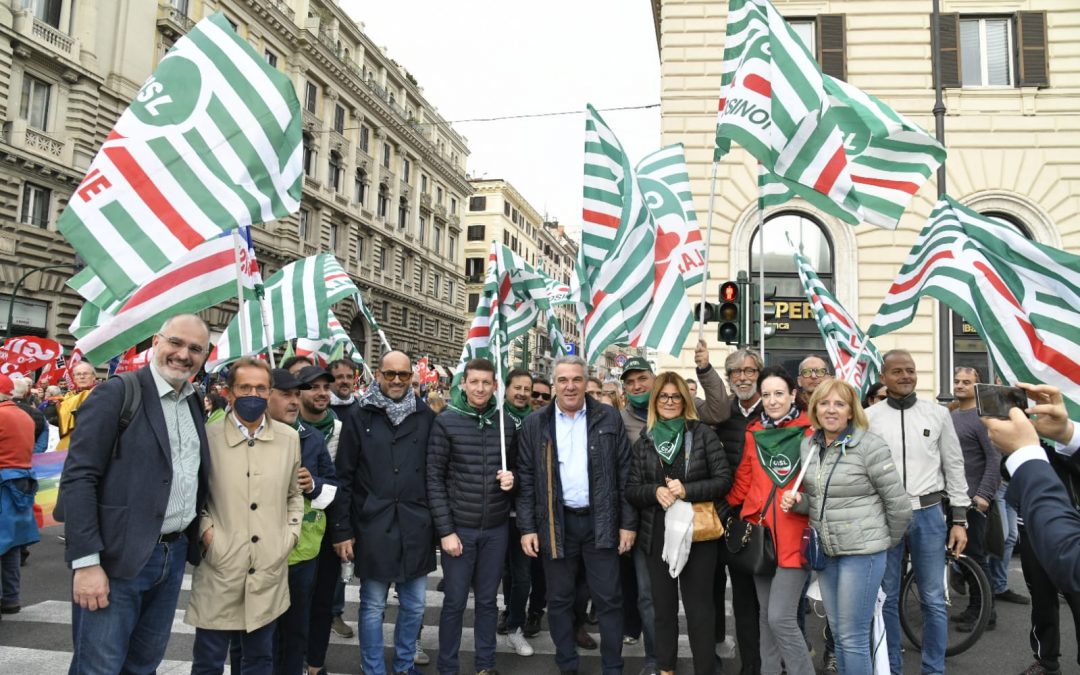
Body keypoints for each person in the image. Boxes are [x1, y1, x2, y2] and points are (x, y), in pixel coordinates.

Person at [61, 315, 212, 674]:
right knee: (98, 667)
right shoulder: (117, 392)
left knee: (144, 666)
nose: (183, 354)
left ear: (205, 356)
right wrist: (86, 563)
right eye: (175, 342)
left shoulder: (193, 401)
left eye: (195, 349)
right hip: (116, 558)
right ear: (156, 342)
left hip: (171, 556)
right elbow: (79, 478)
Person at [781, 380, 912, 675]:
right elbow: (820, 501)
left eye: (839, 404)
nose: (831, 410)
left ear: (851, 411)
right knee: (839, 634)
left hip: (861, 555)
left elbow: (899, 506)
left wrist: (879, 544)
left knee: (852, 638)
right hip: (827, 553)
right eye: (824, 403)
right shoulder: (810, 445)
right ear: (815, 408)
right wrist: (799, 501)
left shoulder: (869, 446)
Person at [516, 355, 636, 675]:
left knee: (609, 599)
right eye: (563, 380)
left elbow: (625, 474)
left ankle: (613, 668)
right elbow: (526, 480)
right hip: (556, 523)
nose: (570, 386)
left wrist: (627, 524)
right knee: (559, 600)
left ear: (586, 381)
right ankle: (567, 665)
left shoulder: (609, 419)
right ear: (554, 382)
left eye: (576, 379)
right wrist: (527, 528)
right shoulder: (535, 423)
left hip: (601, 521)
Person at [186, 357, 303, 674]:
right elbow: (196, 496)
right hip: (220, 564)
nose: (254, 393)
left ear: (269, 392)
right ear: (229, 392)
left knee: (259, 658)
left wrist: (288, 536)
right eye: (245, 387)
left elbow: (294, 494)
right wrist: (208, 535)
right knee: (209, 660)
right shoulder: (208, 438)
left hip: (268, 564)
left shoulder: (288, 438)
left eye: (261, 387)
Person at [331, 351, 436, 675]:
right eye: (390, 374)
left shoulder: (425, 416)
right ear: (378, 375)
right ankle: (373, 669)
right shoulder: (359, 417)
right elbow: (344, 477)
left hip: (415, 525)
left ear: (410, 378)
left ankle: (404, 666)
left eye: (403, 375)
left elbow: (436, 475)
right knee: (373, 605)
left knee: (415, 604)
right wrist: (342, 530)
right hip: (372, 525)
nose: (396, 381)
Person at [866, 349, 969, 675]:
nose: (906, 376)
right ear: (883, 378)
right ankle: (892, 668)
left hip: (929, 515)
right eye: (897, 371)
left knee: (934, 599)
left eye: (910, 370)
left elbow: (954, 467)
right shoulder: (869, 418)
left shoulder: (937, 414)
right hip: (885, 515)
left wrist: (959, 519)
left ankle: (933, 670)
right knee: (888, 598)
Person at [626, 372, 731, 675]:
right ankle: (665, 668)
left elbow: (724, 480)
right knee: (663, 608)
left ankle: (705, 669)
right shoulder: (645, 440)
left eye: (676, 396)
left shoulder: (702, 434)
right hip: (657, 531)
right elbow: (631, 490)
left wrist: (688, 490)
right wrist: (653, 491)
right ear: (655, 401)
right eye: (663, 396)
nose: (670, 402)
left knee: (700, 608)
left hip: (697, 530)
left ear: (685, 400)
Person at [427, 358, 517, 674]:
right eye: (474, 381)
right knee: (453, 603)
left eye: (486, 382)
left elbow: (518, 471)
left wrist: (512, 480)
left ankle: (485, 665)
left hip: (495, 527)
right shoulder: (446, 421)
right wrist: (446, 531)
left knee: (489, 602)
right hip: (460, 529)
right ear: (463, 384)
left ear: (495, 386)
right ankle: (448, 667)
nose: (480, 388)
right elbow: (434, 479)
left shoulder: (504, 423)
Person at [725, 366, 814, 675]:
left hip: (794, 537)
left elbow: (823, 488)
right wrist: (720, 508)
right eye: (766, 395)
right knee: (765, 616)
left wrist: (803, 502)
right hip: (759, 535)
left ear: (793, 395)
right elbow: (744, 481)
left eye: (779, 393)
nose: (773, 401)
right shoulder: (754, 433)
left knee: (781, 618)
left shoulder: (811, 433)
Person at [265, 368, 337, 675]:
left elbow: (333, 487)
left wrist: (314, 485)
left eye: (297, 395)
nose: (294, 401)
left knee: (295, 631)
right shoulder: (252, 432)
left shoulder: (313, 438)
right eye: (286, 394)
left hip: (301, 552)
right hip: (260, 550)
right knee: (258, 632)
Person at [712, 348, 764, 674]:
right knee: (712, 593)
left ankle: (753, 666)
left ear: (759, 374)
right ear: (729, 378)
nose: (742, 377)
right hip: (720, 516)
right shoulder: (719, 413)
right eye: (735, 372)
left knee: (749, 601)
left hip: (756, 521)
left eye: (749, 371)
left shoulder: (774, 410)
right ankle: (711, 656)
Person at [950, 367, 1001, 632]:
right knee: (961, 558)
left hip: (974, 502)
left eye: (966, 382)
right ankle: (974, 607)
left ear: (978, 385)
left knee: (976, 557)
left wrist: (984, 495)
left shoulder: (984, 417)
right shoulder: (952, 414)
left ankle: (986, 612)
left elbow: (994, 459)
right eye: (957, 381)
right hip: (953, 499)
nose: (960, 385)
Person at [499, 368, 536, 656]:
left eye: (527, 389)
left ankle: (515, 625)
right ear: (507, 388)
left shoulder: (536, 421)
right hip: (497, 512)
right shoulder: (495, 419)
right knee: (505, 573)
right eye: (518, 388)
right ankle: (507, 611)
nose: (522, 393)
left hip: (526, 513)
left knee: (523, 575)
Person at [0, 373, 38, 616]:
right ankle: (11, 597)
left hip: (4, 480)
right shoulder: (23, 414)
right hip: (20, 480)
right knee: (10, 544)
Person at [56, 361, 98, 450]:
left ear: (94, 377)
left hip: (90, 441)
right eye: (78, 374)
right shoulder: (68, 397)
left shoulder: (100, 393)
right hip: (68, 442)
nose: (82, 377)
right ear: (74, 379)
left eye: (85, 374)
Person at [11, 377, 48, 453]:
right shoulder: (38, 413)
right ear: (25, 392)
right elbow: (43, 442)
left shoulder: (3, 411)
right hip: (31, 458)